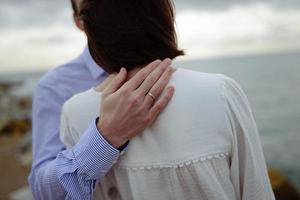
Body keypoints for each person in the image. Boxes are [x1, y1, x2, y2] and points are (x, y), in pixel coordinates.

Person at [60, 0, 276, 199]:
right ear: (163, 19)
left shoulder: (75, 111)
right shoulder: (220, 92)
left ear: (92, 29)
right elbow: (256, 191)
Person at [28, 0, 175, 199]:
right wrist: (106, 136)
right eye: (92, 7)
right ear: (79, 21)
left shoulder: (165, 71)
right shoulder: (55, 86)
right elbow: (42, 190)